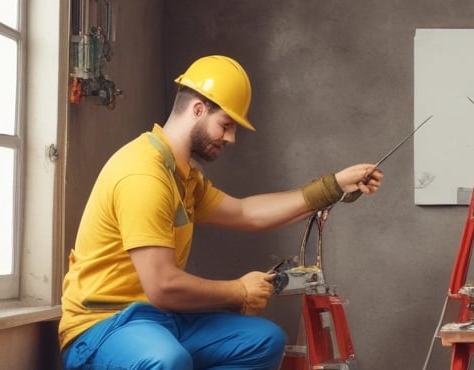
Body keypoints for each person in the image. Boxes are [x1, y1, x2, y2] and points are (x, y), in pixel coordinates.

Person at [59, 55, 384, 370]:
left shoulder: (181, 176)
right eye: (226, 124)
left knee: (264, 341)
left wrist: (334, 186)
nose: (230, 137)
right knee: (165, 361)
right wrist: (238, 291)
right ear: (198, 110)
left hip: (161, 318)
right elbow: (161, 285)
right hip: (105, 325)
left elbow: (246, 213)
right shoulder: (144, 176)